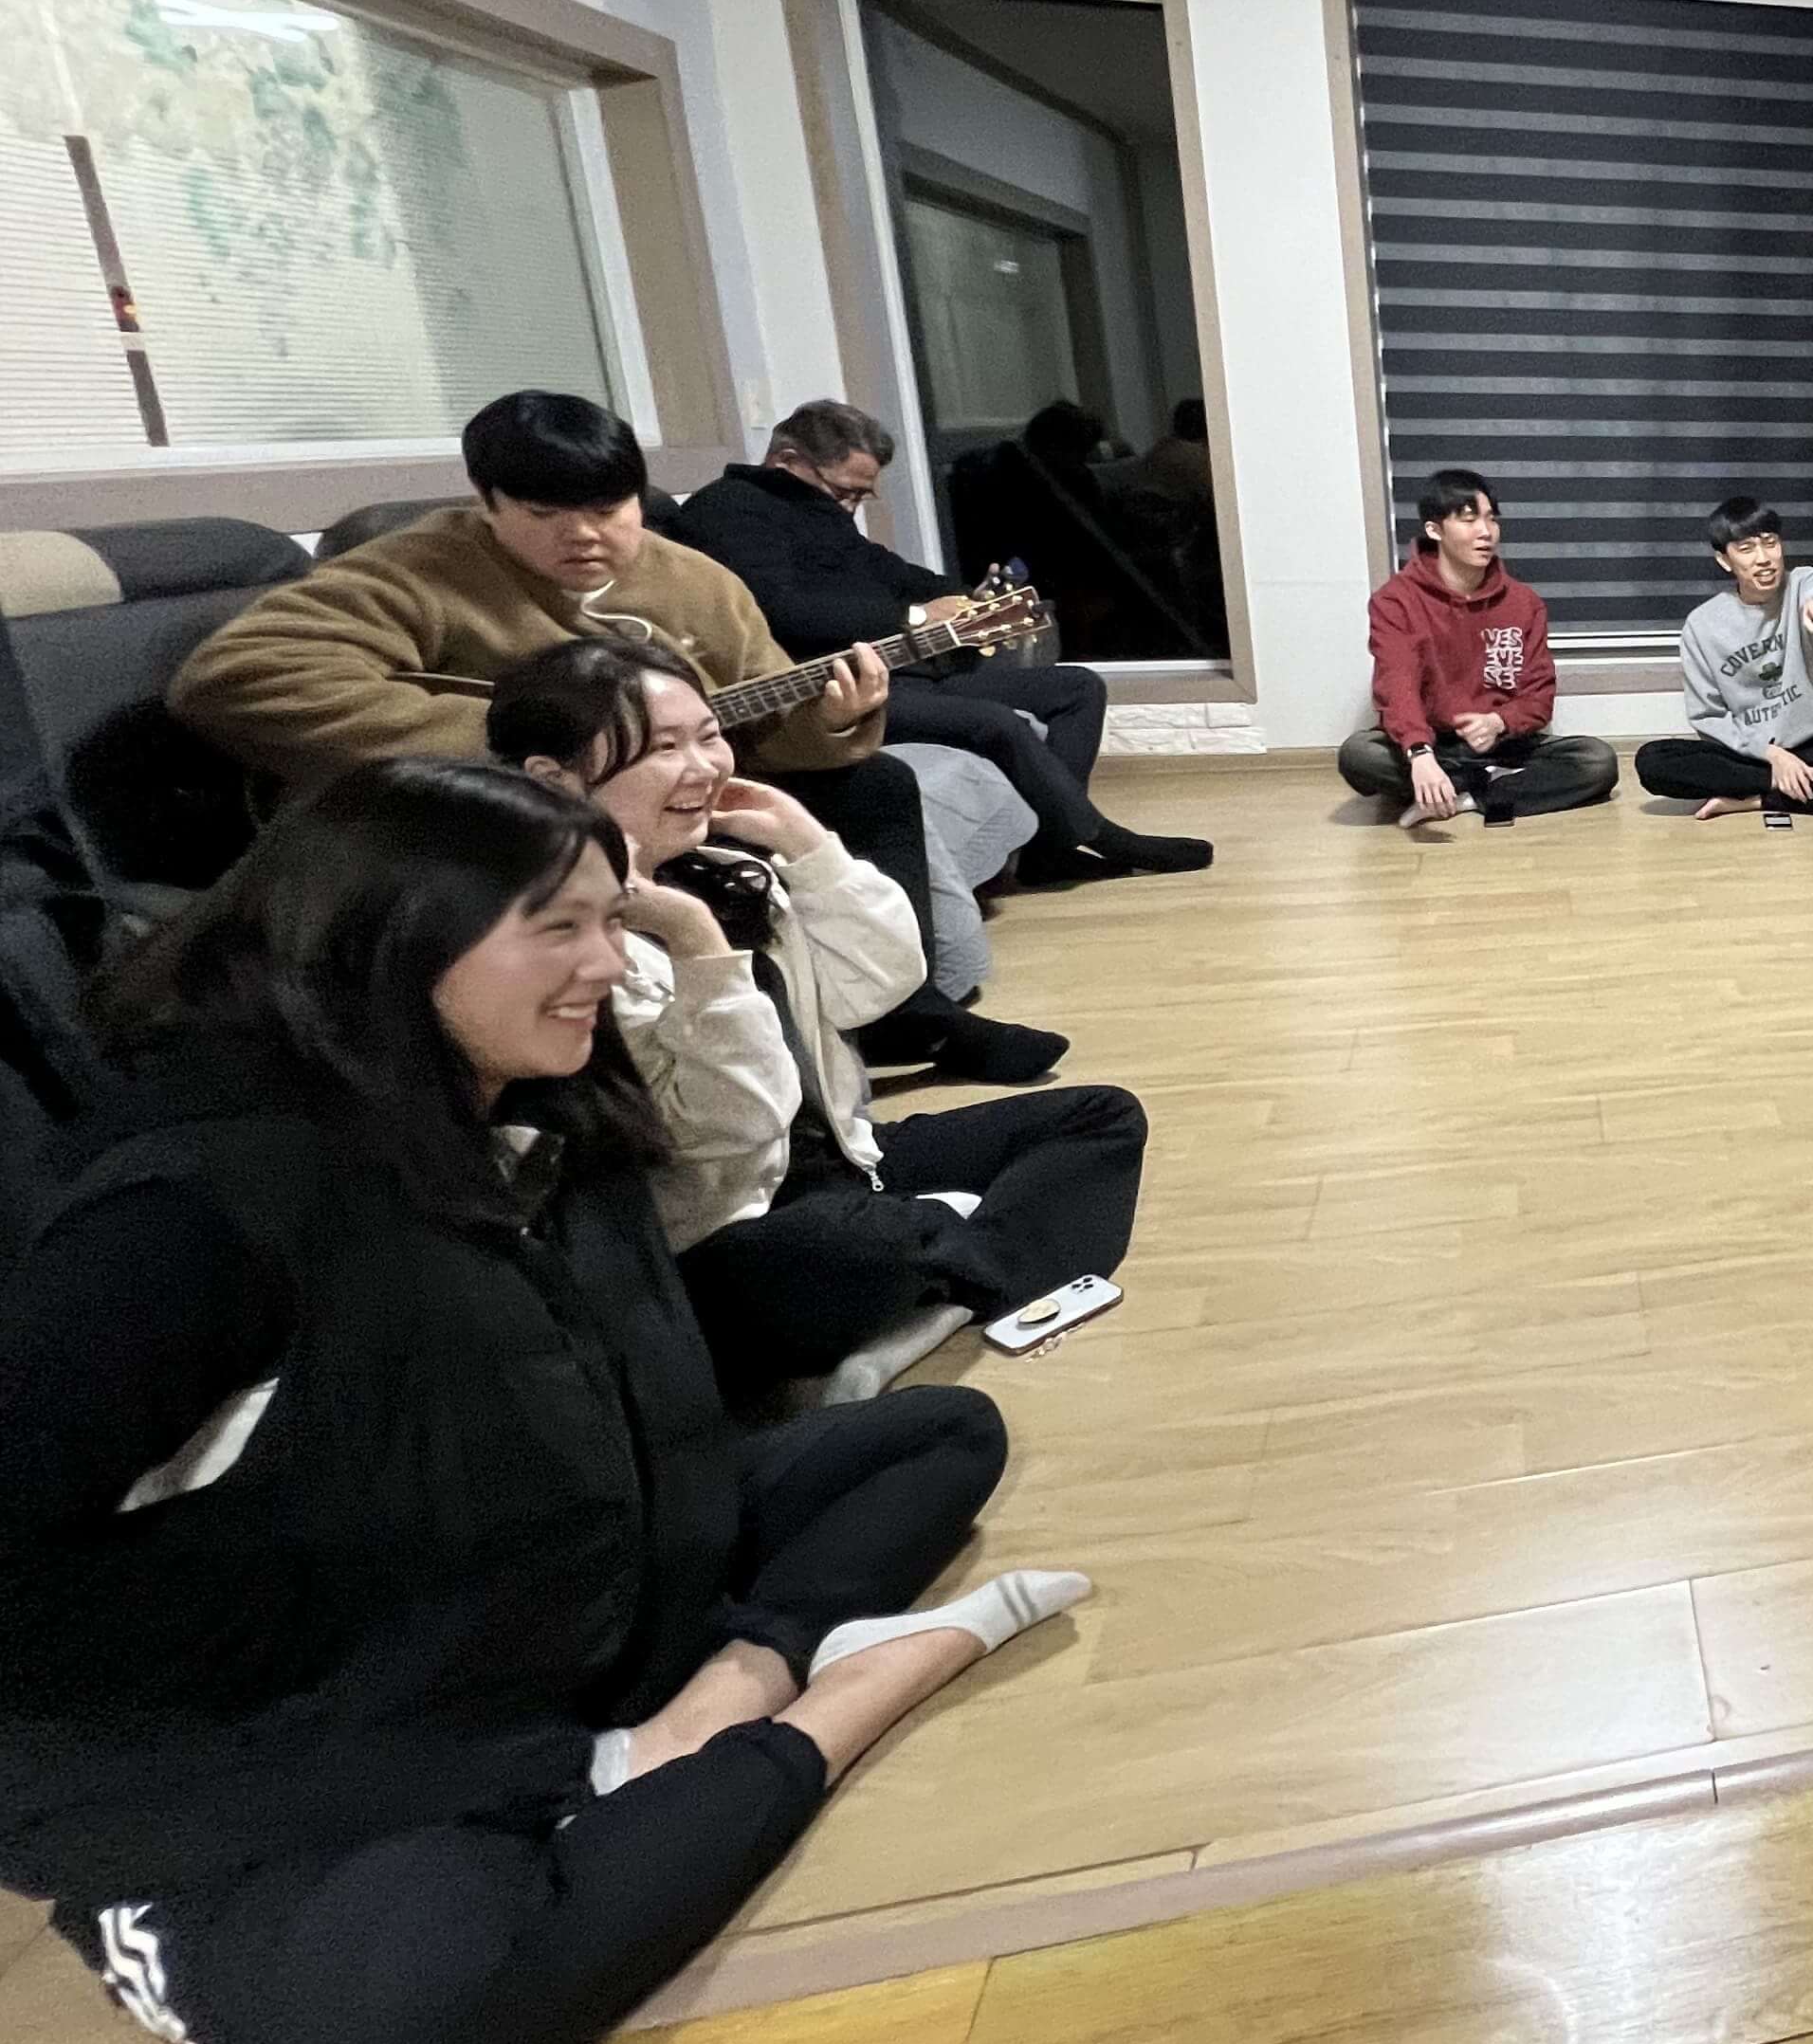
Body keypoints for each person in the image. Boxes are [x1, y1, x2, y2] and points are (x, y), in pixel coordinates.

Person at [0, 759, 1086, 2044]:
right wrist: (516, 1767)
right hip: (351, 1720)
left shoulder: (535, 1116)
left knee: (937, 1437)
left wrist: (702, 1653)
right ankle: (827, 1702)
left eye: (610, 920)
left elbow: (719, 1205)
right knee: (399, 2033)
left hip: (564, 1594)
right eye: (559, 927)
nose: (607, 962)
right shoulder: (189, 1213)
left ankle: (728, 1693)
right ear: (392, 939)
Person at [170, 389, 1063, 1086]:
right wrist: (541, 741)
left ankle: (907, 1012)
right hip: (504, 815)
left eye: (610, 507)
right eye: (545, 514)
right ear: (487, 502)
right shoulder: (421, 567)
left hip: (656, 794)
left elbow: (757, 717)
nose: (587, 536)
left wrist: (829, 721)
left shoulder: (695, 583)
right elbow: (238, 677)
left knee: (873, 784)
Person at [488, 640, 1149, 1409]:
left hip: (840, 1161)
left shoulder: (721, 871)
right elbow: (734, 1124)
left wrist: (804, 841)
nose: (703, 767)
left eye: (709, 736)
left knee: (1101, 1117)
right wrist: (695, 941)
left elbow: (880, 987)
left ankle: (944, 1286)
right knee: (855, 1245)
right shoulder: (562, 945)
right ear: (553, 779)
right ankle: (942, 1269)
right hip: (724, 1234)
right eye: (664, 749)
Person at [666, 400, 1212, 884]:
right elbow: (782, 609)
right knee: (996, 724)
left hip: (907, 671)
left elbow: (885, 569)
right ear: (788, 461)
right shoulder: (728, 509)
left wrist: (959, 598)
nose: (850, 507)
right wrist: (917, 615)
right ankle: (1099, 836)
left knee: (1078, 689)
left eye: (860, 496)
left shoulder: (816, 511)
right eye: (845, 492)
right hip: (832, 691)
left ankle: (1049, 852)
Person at [1333, 470, 1620, 824]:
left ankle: (1467, 796)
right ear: (1434, 530)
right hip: (1432, 744)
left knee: (1597, 760)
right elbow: (1397, 686)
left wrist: (1500, 721)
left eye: (1491, 519)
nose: (1485, 532)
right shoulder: (1396, 601)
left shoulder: (1524, 603)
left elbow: (1539, 696)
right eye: (1469, 520)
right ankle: (1490, 786)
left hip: (1503, 744)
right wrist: (1420, 753)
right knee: (1359, 755)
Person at [1631, 498, 1813, 823]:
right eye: (1746, 548)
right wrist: (1772, 756)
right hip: (1749, 752)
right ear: (1724, 560)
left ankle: (1754, 799)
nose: (1764, 558)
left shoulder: (1802, 585)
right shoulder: (1702, 624)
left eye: (1770, 543)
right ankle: (1793, 783)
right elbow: (1708, 716)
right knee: (1652, 760)